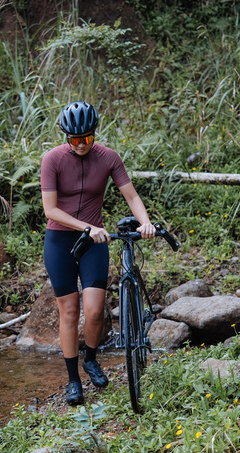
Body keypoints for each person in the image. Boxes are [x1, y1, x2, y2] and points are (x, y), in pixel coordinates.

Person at [41, 101, 155, 406]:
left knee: (93, 311)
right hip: (60, 241)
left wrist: (145, 223)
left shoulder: (108, 158)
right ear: (65, 136)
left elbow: (130, 195)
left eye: (87, 138)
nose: (81, 145)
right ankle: (73, 380)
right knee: (69, 311)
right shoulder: (52, 160)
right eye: (75, 140)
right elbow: (50, 209)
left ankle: (90, 359)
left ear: (95, 134)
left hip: (95, 242)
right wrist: (86, 227)